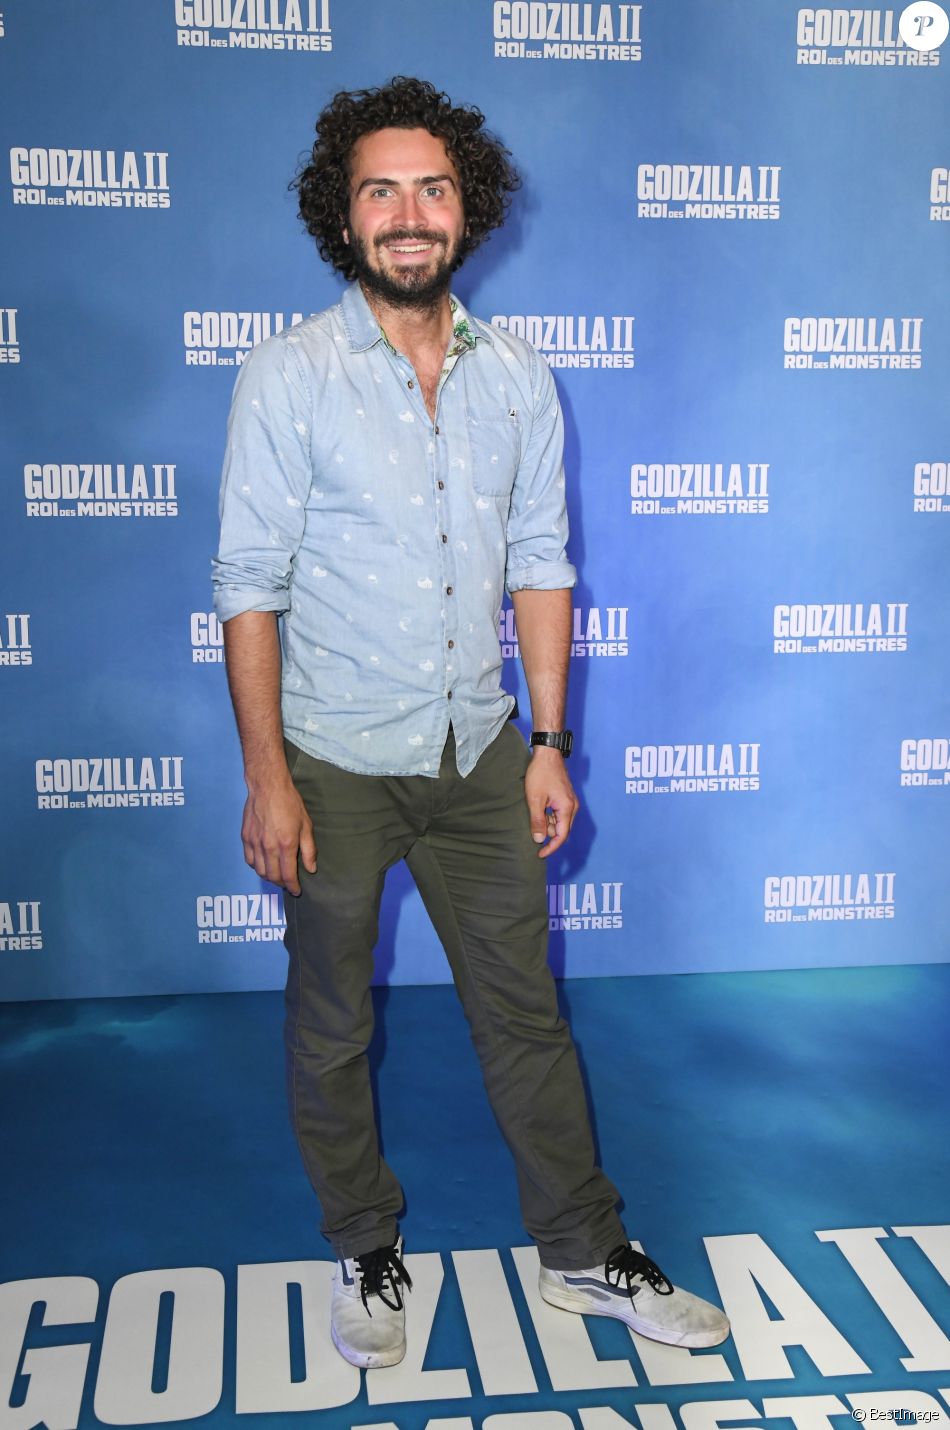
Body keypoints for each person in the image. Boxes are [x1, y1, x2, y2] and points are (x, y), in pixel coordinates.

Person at [212, 75, 729, 1369]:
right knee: (333, 1023)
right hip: (333, 761)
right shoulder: (288, 375)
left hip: (480, 752)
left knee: (526, 1017)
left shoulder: (519, 377)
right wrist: (267, 775)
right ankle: (363, 1244)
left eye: (432, 189)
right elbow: (248, 587)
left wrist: (548, 743)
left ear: (469, 208)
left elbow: (541, 566)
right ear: (342, 215)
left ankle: (581, 1248)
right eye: (379, 191)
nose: (408, 214)